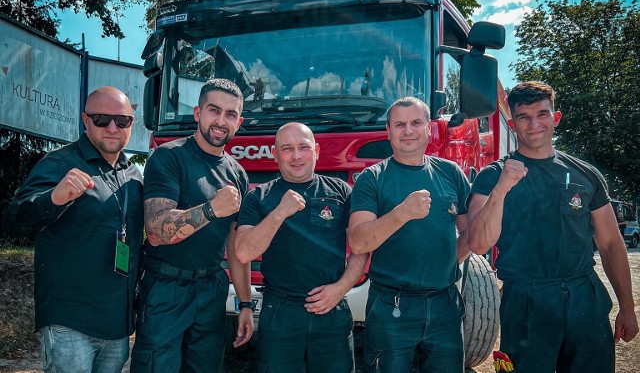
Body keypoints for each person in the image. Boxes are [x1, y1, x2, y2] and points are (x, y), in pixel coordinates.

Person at [466, 81, 638, 372]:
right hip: (525, 302)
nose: (534, 124)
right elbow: (478, 244)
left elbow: (610, 243)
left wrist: (627, 306)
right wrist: (501, 189)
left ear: (555, 118)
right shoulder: (492, 176)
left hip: (584, 296)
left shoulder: (586, 174)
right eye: (524, 116)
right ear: (512, 123)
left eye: (542, 114)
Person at [3, 87, 144, 373]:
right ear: (85, 120)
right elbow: (13, 220)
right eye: (102, 119)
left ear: (132, 123)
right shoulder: (59, 163)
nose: (113, 127)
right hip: (70, 321)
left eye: (122, 121)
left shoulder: (133, 174)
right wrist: (53, 198)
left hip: (117, 323)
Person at [130, 78, 253, 372]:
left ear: (239, 121)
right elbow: (157, 231)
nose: (221, 121)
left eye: (231, 114)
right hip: (166, 288)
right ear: (198, 113)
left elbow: (236, 248)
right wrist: (211, 209)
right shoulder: (169, 157)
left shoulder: (238, 174)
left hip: (212, 289)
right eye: (214, 110)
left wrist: (246, 304)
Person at [348, 97, 471, 372]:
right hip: (392, 307)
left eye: (416, 123)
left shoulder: (451, 173)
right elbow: (357, 241)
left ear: (429, 128)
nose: (408, 130)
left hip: (445, 306)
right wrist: (402, 213)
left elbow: (471, 235)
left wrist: (445, 265)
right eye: (399, 124)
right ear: (389, 131)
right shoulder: (372, 178)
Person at [234, 122, 368, 372]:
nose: (296, 156)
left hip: (331, 311)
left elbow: (362, 248)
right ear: (275, 154)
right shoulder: (258, 197)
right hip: (280, 313)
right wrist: (279, 213)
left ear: (316, 151)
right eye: (287, 149)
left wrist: (341, 288)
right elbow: (243, 252)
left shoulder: (341, 191)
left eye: (303, 147)